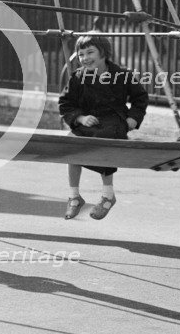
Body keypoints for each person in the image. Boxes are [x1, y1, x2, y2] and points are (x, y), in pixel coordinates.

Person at [58, 34, 148, 220]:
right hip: (88, 121)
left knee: (105, 141)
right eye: (81, 54)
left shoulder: (122, 75)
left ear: (103, 53)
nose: (85, 58)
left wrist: (133, 118)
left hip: (113, 121)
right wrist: (80, 118)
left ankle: (108, 195)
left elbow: (140, 98)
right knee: (72, 143)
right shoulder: (78, 77)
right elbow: (66, 104)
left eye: (90, 52)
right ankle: (74, 196)